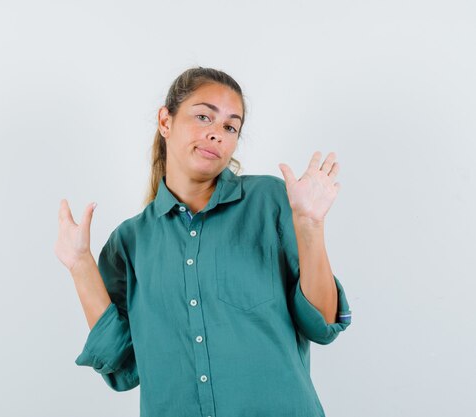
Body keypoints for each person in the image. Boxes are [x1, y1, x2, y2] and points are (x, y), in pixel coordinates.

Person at [55, 66, 352, 417]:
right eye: (203, 117)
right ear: (165, 121)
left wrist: (309, 224)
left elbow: (322, 324)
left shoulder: (272, 201)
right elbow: (123, 368)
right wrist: (80, 265)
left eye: (230, 126)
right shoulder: (130, 241)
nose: (216, 135)